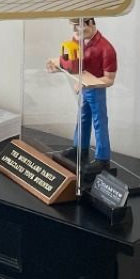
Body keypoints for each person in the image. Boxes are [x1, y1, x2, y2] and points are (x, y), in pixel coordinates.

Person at [46, 17, 117, 172]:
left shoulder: (106, 49)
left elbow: (109, 79)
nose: (74, 31)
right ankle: (80, 148)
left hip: (96, 89)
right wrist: (58, 64)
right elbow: (73, 61)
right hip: (84, 88)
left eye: (78, 26)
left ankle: (103, 158)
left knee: (99, 123)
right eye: (73, 26)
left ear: (90, 23)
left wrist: (88, 83)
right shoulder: (78, 40)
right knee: (82, 118)